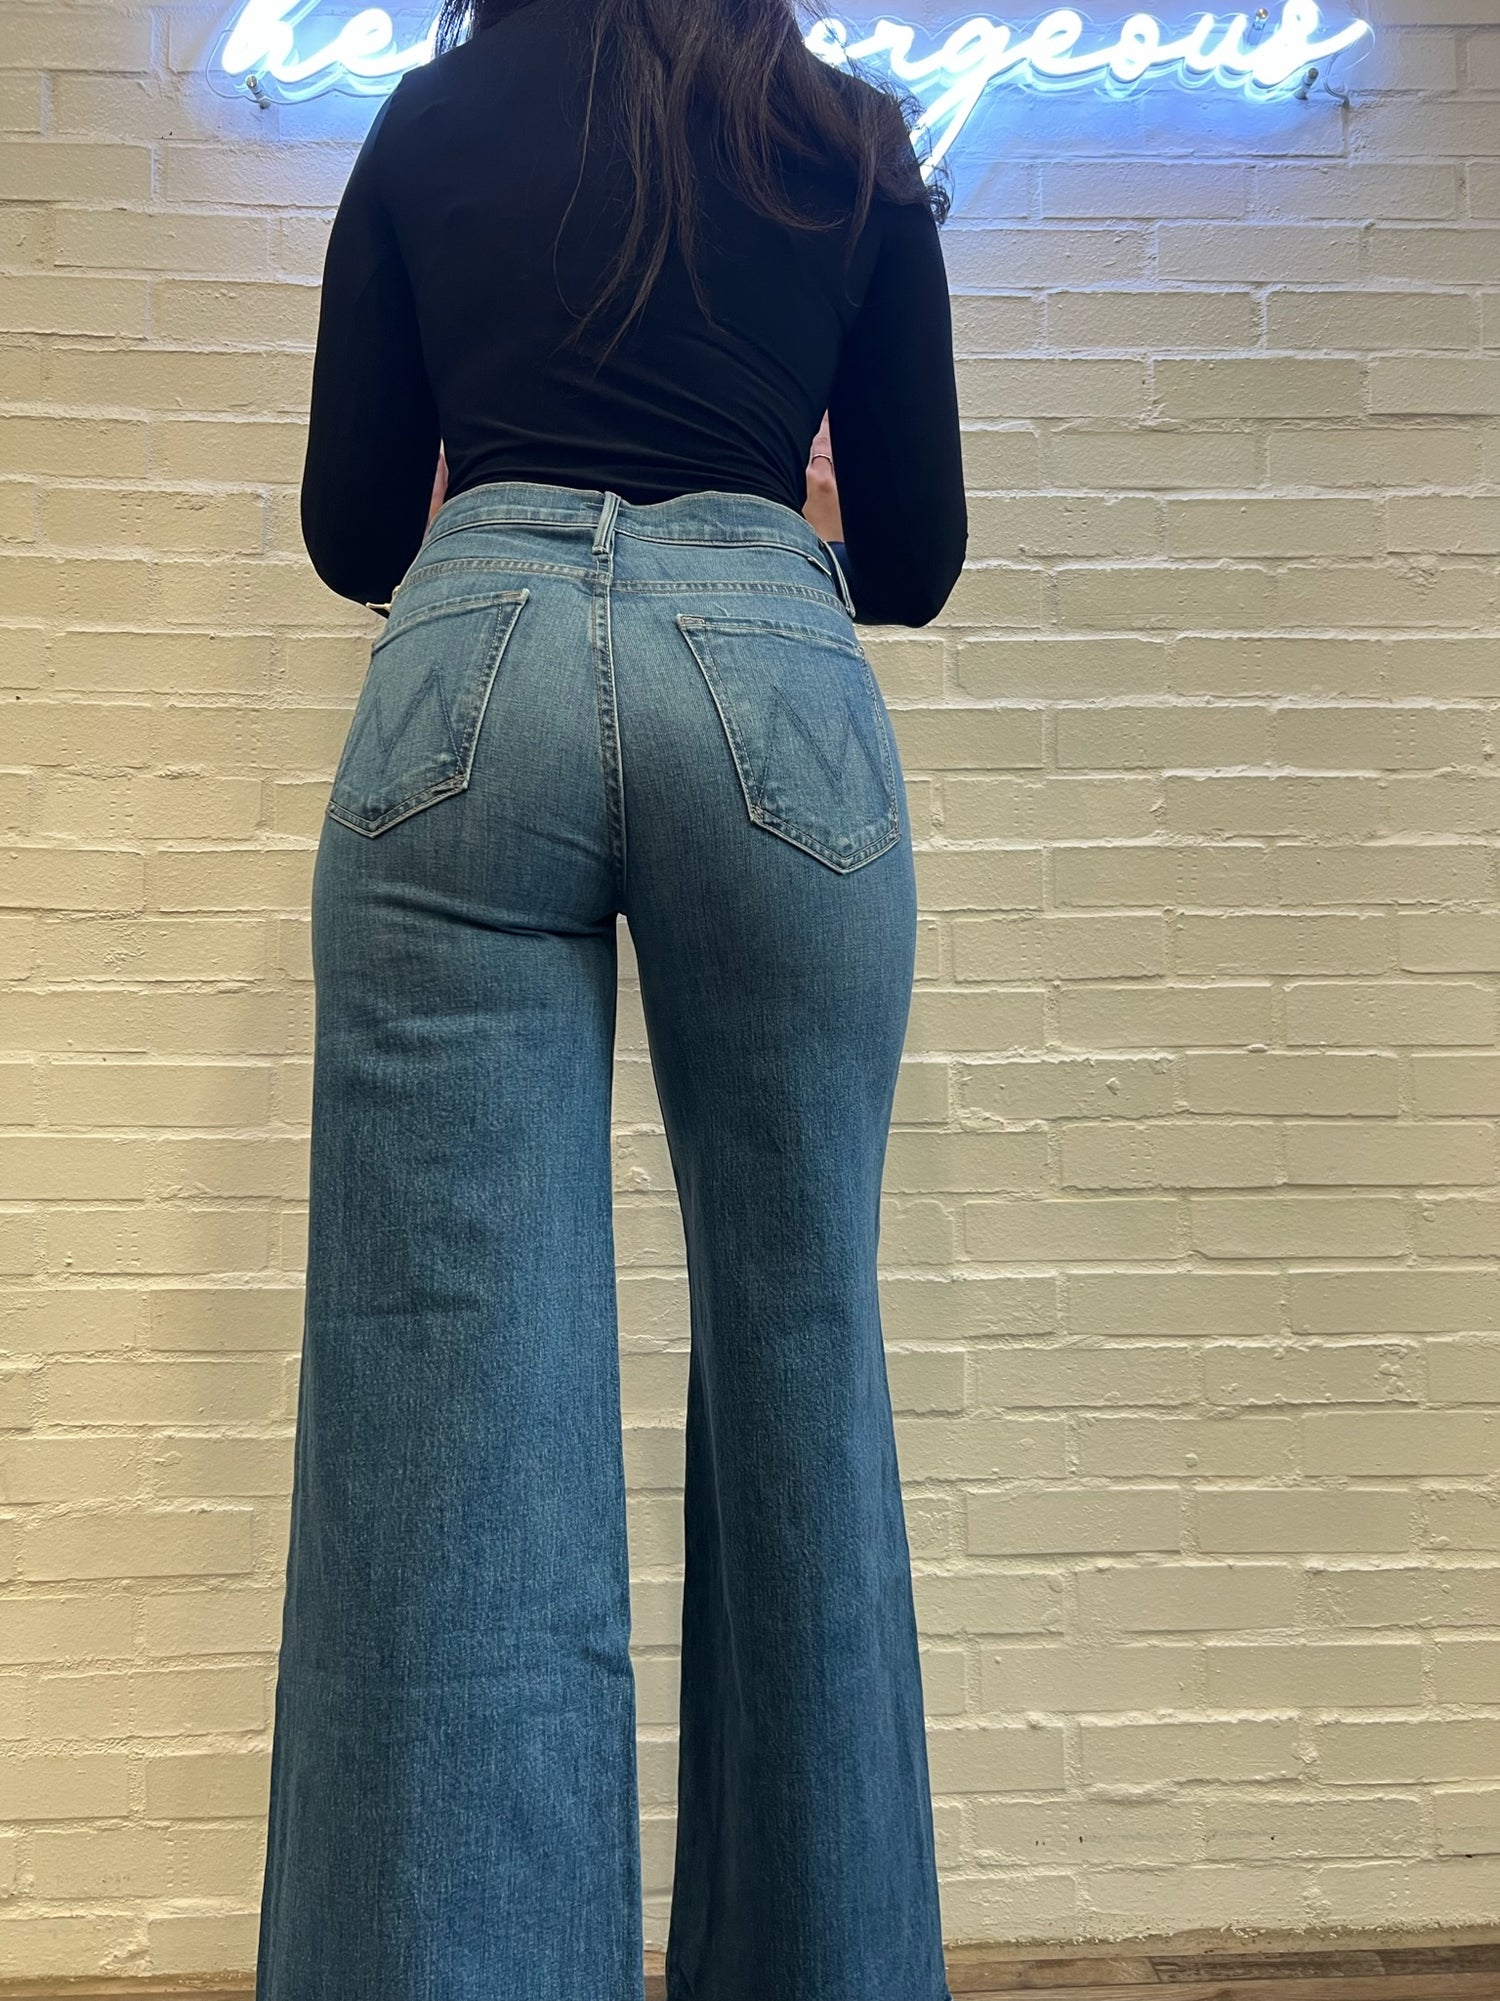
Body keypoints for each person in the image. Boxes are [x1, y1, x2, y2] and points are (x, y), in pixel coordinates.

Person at [256, 1, 967, 1997]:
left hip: (470, 670)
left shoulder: (430, 117)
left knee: (447, 1395)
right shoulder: (848, 136)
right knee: (805, 1356)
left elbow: (347, 526)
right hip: (772, 666)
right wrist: (753, 515)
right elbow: (917, 553)